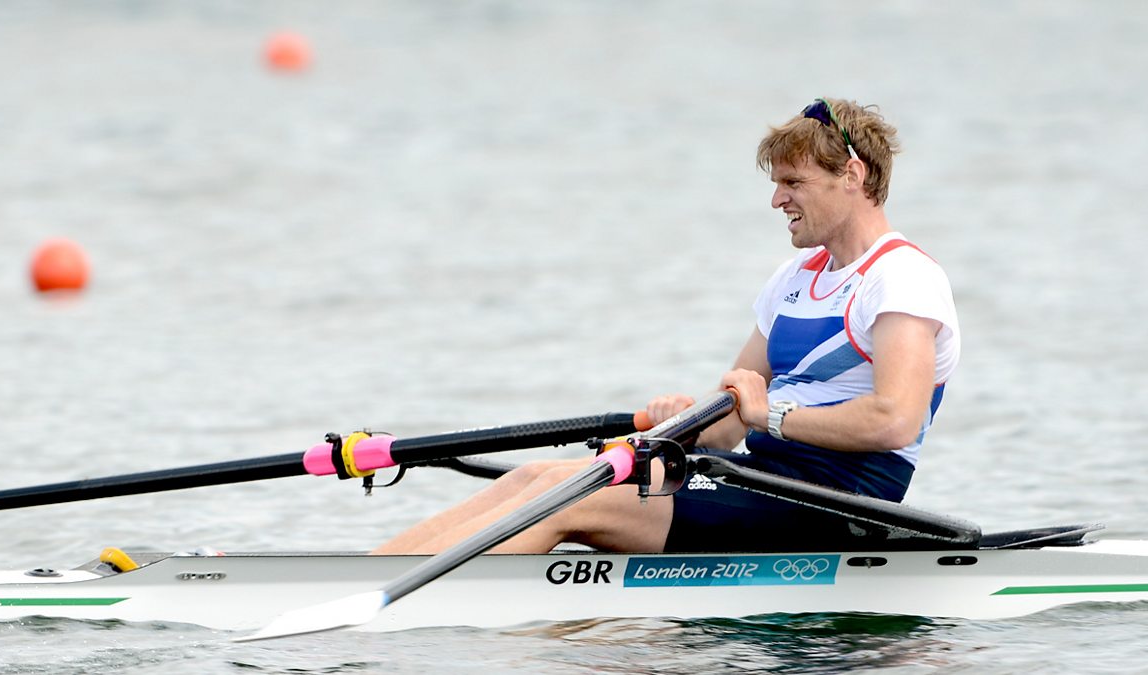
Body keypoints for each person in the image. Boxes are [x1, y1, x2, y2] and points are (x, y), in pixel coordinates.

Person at [372, 97, 960, 555]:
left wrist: (769, 416)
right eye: (776, 184)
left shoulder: (901, 277)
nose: (777, 200)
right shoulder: (794, 278)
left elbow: (894, 420)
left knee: (566, 500)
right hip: (762, 478)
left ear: (852, 175)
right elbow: (729, 425)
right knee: (537, 475)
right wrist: (686, 423)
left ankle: (412, 610)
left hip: (839, 504)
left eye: (793, 183)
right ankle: (369, 573)